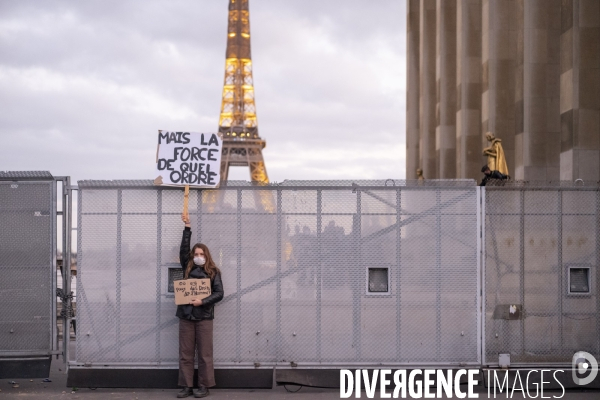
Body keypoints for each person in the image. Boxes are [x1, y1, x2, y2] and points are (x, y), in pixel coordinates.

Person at [176, 213, 224, 398]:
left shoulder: (213, 272)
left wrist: (202, 302)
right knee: (185, 353)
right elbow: (183, 249)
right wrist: (187, 228)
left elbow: (219, 293)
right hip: (186, 316)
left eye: (201, 254)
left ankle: (204, 386)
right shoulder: (187, 266)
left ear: (206, 256)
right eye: (196, 254)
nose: (198, 257)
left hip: (204, 317)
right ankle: (187, 386)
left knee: (204, 355)